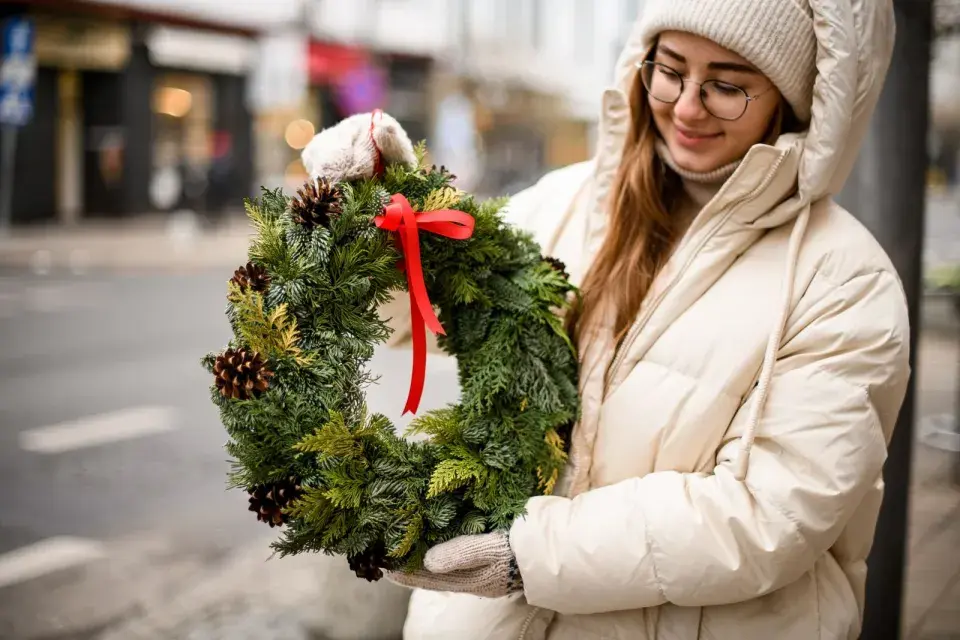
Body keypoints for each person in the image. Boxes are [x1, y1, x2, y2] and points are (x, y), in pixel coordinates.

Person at [301, 0, 910, 637]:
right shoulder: (569, 202)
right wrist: (383, 215)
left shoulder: (841, 279)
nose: (687, 107)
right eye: (669, 71)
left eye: (727, 87)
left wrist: (531, 553)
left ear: (792, 98)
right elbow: (427, 312)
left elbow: (770, 515)